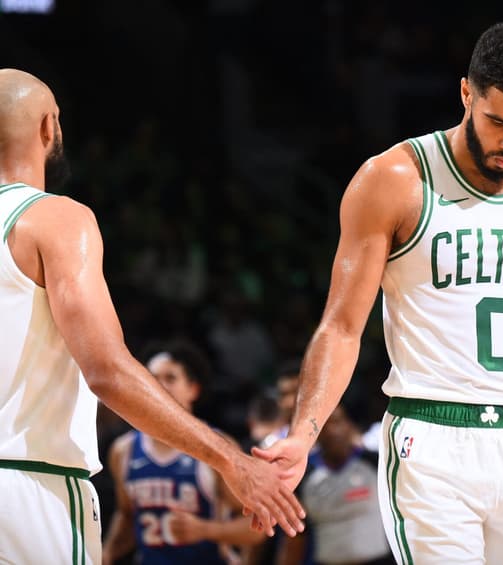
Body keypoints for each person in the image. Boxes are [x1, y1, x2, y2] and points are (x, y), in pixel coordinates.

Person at [254, 23, 503, 564]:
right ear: (467, 93)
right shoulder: (392, 180)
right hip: (429, 438)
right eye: (499, 122)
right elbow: (342, 327)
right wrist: (303, 433)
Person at [0, 68, 303, 564]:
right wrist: (231, 461)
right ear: (48, 127)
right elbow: (107, 372)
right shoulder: (56, 219)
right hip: (27, 487)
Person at [102, 340, 266, 564]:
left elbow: (256, 528)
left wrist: (206, 530)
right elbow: (127, 516)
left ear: (193, 389)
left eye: (170, 378)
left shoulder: (219, 447)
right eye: (152, 379)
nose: (159, 386)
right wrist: (107, 554)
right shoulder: (123, 450)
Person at [277, 403, 393, 565]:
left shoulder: (376, 463)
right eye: (324, 425)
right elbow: (295, 538)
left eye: (337, 421)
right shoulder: (303, 476)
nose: (332, 431)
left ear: (349, 425)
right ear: (315, 433)